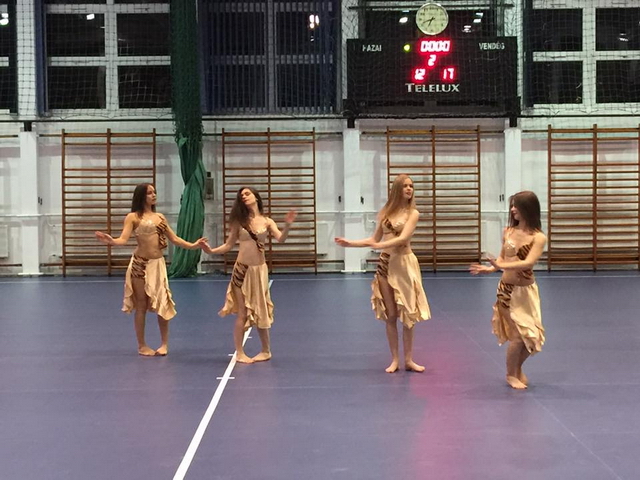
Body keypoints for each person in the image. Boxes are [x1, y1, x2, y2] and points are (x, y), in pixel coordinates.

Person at [95, 183, 206, 356]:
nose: (153, 195)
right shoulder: (133, 217)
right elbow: (123, 239)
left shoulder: (160, 217)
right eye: (149, 193)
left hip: (157, 264)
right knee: (141, 304)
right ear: (141, 196)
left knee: (163, 302)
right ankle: (142, 345)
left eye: (154, 192)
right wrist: (112, 241)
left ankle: (164, 344)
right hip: (140, 264)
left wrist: (193, 245)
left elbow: (174, 239)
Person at [335, 174, 431, 373]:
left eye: (411, 186)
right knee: (391, 315)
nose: (409, 189)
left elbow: (403, 238)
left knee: (408, 314)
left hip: (404, 265)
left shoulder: (413, 213)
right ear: (397, 189)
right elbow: (374, 239)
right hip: (386, 264)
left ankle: (409, 359)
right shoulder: (386, 213)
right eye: (405, 186)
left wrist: (379, 246)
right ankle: (395, 359)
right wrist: (350, 243)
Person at [200, 187, 297, 364]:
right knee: (243, 313)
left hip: (259, 271)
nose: (244, 197)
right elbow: (228, 245)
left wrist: (288, 225)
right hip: (242, 270)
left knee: (261, 309)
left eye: (247, 194)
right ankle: (240, 352)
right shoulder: (240, 221)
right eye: (241, 195)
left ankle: (266, 350)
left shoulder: (267, 221)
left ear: (256, 197)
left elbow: (281, 239)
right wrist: (211, 251)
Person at [469, 190, 546, 389]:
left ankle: (517, 368)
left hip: (527, 293)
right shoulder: (508, 232)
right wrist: (490, 268)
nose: (512, 210)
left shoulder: (538, 238)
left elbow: (528, 262)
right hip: (507, 292)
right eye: (512, 206)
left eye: (516, 206)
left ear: (528, 209)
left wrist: (500, 265)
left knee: (532, 336)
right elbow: (502, 258)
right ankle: (511, 374)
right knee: (517, 337)